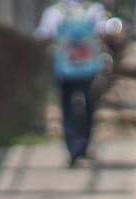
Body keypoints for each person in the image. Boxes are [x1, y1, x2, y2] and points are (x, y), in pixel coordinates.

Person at [37, 0, 112, 165]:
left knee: (67, 109)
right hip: (88, 68)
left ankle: (74, 147)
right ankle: (81, 146)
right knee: (89, 107)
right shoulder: (93, 9)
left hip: (64, 67)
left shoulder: (55, 12)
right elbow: (104, 32)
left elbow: (44, 34)